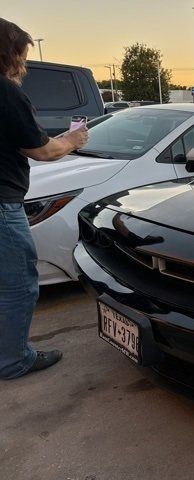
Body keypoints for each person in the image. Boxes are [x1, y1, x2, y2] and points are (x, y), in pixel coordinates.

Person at [0, 18, 88, 380]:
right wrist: (73, 140)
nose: (23, 65)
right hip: (3, 205)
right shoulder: (7, 91)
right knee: (19, 284)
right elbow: (42, 151)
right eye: (21, 55)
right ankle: (13, 360)